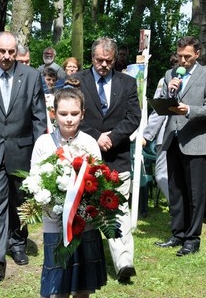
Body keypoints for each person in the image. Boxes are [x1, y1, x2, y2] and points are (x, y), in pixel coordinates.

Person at [0, 31, 47, 283]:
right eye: (2, 51)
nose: (6, 56)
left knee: (19, 200)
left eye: (11, 52)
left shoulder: (32, 76)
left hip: (22, 150)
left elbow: (39, 118)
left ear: (17, 52)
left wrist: (40, 156)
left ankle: (17, 242)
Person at [74, 37, 141, 284]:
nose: (103, 65)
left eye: (108, 61)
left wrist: (112, 137)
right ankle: (84, 260)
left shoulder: (128, 83)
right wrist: (96, 137)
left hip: (117, 157)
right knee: (86, 211)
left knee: (119, 209)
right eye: (99, 60)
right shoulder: (78, 81)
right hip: (85, 157)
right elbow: (72, 115)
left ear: (115, 59)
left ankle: (124, 261)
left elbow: (134, 116)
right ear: (91, 58)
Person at [31, 86, 107, 298]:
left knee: (82, 285)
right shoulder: (44, 143)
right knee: (58, 286)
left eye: (74, 114)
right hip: (55, 223)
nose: (69, 119)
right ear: (53, 114)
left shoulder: (89, 143)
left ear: (83, 114)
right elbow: (33, 181)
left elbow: (99, 179)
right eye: (63, 114)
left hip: (85, 223)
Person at [154, 36, 206, 256]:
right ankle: (178, 234)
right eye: (180, 56)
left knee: (195, 194)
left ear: (197, 54)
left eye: (187, 56)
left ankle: (192, 239)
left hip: (195, 142)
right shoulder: (170, 74)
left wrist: (189, 110)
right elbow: (164, 104)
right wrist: (169, 93)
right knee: (176, 191)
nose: (182, 61)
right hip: (173, 139)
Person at [142, 53, 180, 204]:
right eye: (176, 63)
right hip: (166, 134)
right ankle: (177, 207)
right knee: (161, 174)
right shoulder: (165, 80)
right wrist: (147, 135)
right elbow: (159, 108)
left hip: (189, 137)